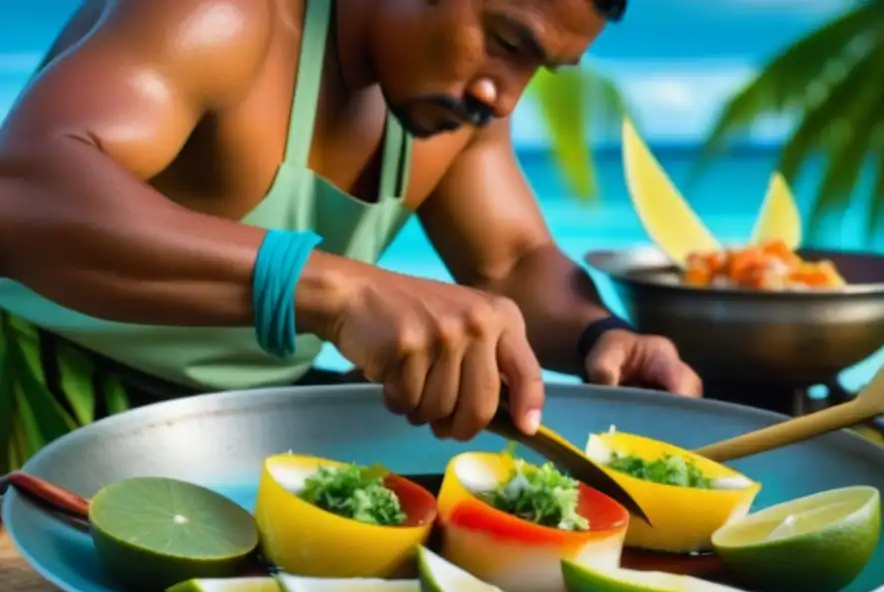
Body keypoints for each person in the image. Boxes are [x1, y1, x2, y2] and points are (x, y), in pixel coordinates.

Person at [0, 0, 701, 469]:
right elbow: (24, 191)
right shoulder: (224, 16)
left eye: (534, 68)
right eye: (505, 42)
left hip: (232, 429)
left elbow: (510, 258)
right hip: (28, 392)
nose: (506, 95)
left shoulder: (451, 100)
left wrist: (601, 336)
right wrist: (340, 290)